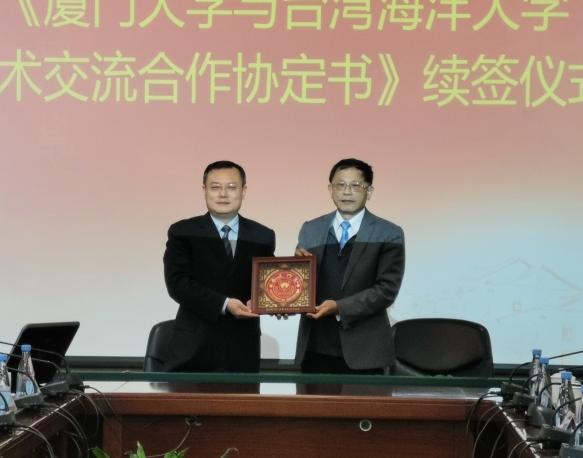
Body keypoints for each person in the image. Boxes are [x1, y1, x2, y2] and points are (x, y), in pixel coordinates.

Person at [162, 160, 276, 372]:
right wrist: (225, 303)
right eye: (215, 187)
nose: (223, 194)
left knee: (242, 395)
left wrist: (280, 302)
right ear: (204, 190)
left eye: (231, 187)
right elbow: (178, 284)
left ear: (243, 191)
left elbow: (267, 282)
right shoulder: (183, 231)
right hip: (193, 348)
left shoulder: (262, 235)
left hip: (243, 346)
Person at [295, 158, 405, 374]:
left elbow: (386, 291)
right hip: (315, 347)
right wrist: (286, 296)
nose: (347, 191)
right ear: (331, 189)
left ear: (369, 191)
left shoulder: (389, 233)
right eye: (341, 185)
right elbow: (299, 283)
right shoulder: (310, 229)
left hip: (365, 350)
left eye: (356, 185)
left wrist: (339, 307)